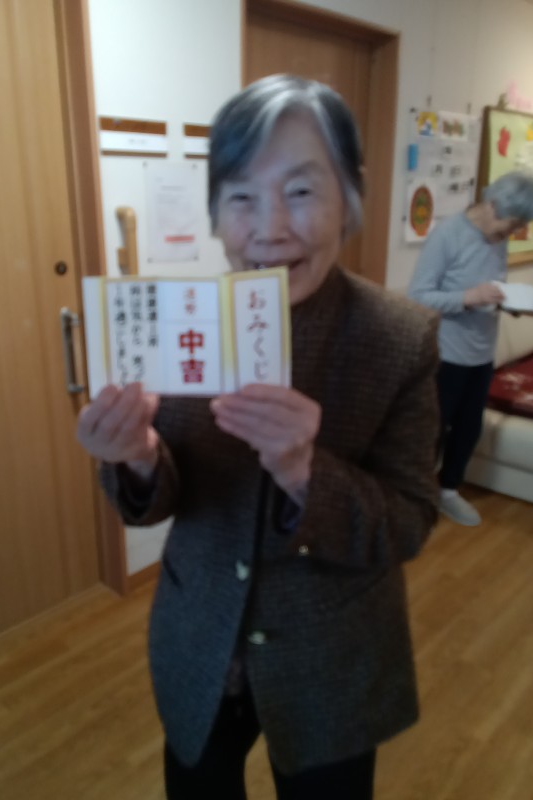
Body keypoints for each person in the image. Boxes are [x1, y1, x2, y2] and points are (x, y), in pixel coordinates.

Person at [77, 74, 439, 800]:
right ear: (216, 214)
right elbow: (159, 499)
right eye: (241, 196)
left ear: (351, 199)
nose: (270, 226)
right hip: (198, 636)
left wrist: (306, 470)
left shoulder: (400, 338)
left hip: (332, 654)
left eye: (301, 190)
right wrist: (138, 459)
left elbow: (408, 523)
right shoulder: (177, 323)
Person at [408, 171, 533, 527]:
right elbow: (418, 296)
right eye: (510, 225)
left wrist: (509, 302)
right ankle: (415, 495)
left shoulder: (498, 238)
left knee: (468, 429)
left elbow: (493, 287)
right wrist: (468, 297)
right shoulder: (448, 235)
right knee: (432, 430)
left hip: (483, 353)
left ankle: (448, 490)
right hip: (447, 355)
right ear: (492, 205)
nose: (510, 234)